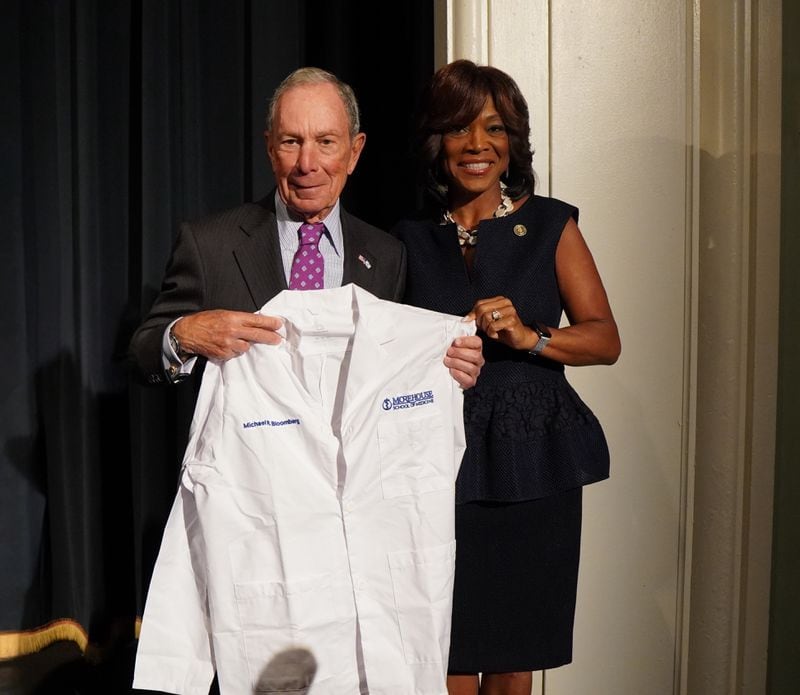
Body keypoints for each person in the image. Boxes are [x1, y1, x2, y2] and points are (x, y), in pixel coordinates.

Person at [391, 60, 621, 695]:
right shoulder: (404, 241)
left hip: (535, 461)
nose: (478, 145)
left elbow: (604, 338)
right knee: (449, 656)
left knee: (515, 658)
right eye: (460, 129)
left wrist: (531, 337)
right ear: (436, 143)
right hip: (440, 463)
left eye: (495, 129)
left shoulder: (550, 224)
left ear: (513, 142)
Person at [129, 66, 483, 388]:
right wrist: (184, 335)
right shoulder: (209, 245)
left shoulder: (388, 255)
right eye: (291, 142)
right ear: (270, 149)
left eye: (326, 142)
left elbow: (397, 372)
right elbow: (142, 355)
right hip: (247, 457)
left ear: (354, 152)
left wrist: (449, 366)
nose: (307, 164)